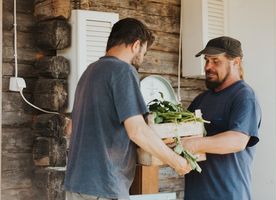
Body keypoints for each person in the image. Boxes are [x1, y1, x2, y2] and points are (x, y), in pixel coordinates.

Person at [64, 18, 191, 200]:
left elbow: (71, 129)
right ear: (136, 45)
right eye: (144, 53)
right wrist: (176, 160)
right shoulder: (123, 71)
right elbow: (137, 131)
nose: (142, 58)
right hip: (104, 187)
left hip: (76, 184)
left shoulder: (89, 72)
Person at [181, 36, 262, 200]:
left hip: (229, 195)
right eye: (206, 60)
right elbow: (179, 133)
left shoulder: (244, 96)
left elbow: (237, 140)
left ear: (236, 62)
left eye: (215, 61)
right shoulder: (201, 99)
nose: (208, 67)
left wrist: (194, 144)